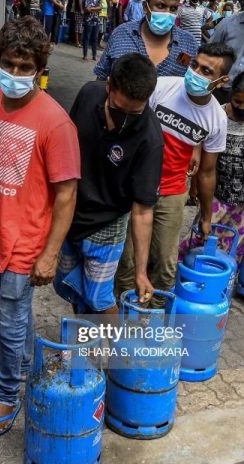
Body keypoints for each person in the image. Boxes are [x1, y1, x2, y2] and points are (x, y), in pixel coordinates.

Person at [0, 16, 80, 436]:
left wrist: (50, 253)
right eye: (9, 64)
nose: (16, 74)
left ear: (40, 69)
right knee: (17, 314)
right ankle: (21, 364)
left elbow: (66, 195)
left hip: (27, 244)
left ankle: (9, 393)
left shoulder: (56, 122)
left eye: (26, 68)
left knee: (8, 320)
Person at [115, 43, 233, 307]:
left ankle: (153, 315)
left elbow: (207, 172)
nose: (196, 73)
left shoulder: (216, 118)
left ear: (222, 80)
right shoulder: (162, 87)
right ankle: (124, 312)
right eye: (195, 65)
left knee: (166, 265)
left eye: (207, 71)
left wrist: (205, 215)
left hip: (172, 191)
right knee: (126, 259)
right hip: (135, 187)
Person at [55, 54, 163, 313]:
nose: (124, 120)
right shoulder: (88, 94)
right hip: (70, 214)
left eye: (135, 113)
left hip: (107, 226)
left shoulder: (150, 138)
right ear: (109, 86)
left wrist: (140, 272)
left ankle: (119, 352)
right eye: (118, 109)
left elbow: (142, 211)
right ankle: (81, 344)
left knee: (100, 299)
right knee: (71, 287)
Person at [179, 71, 244, 263]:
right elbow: (202, 155)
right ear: (231, 95)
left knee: (233, 245)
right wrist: (195, 186)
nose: (241, 107)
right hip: (217, 191)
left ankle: (219, 285)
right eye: (237, 101)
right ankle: (182, 277)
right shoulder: (217, 114)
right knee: (199, 237)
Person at [95, 0, 199, 79]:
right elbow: (101, 76)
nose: (167, 14)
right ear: (145, 7)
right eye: (160, 6)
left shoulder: (189, 43)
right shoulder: (121, 33)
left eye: (173, 9)